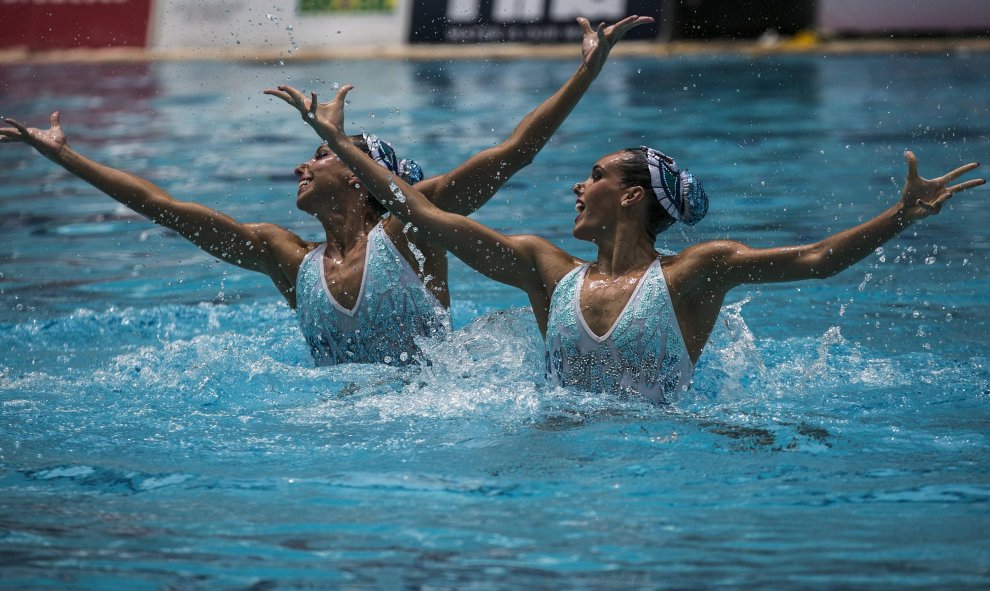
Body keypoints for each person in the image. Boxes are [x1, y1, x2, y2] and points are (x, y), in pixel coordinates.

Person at [0, 15, 654, 367]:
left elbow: (512, 156)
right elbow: (163, 210)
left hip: (430, 425)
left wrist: (585, 72)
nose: (302, 168)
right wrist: (64, 156)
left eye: (320, 155)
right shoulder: (290, 260)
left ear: (362, 177)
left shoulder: (413, 231)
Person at [273, 82, 985, 402]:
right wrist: (333, 140)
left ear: (633, 195)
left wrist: (899, 216)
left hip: (659, 469)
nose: (577, 189)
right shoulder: (546, 271)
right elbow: (427, 218)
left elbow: (814, 261)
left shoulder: (694, 276)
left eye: (594, 178)